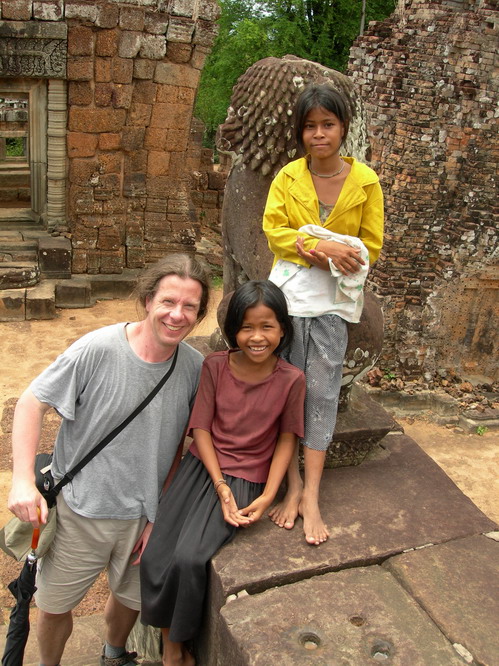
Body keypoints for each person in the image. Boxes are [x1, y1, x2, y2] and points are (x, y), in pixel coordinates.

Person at [7, 254, 211, 666]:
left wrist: (159, 516)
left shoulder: (193, 367)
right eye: (168, 301)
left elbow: (177, 445)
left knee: (130, 596)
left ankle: (114, 654)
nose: (177, 315)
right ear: (147, 299)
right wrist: (22, 479)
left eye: (190, 306)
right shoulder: (98, 349)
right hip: (82, 510)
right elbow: (31, 402)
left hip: (142, 516)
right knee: (53, 605)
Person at [140, 280, 306, 666]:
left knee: (190, 558)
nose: (257, 337)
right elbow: (201, 429)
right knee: (156, 556)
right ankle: (170, 648)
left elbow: (286, 440)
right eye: (247, 327)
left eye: (267, 326)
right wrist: (217, 483)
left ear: (283, 329)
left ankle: (176, 647)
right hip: (203, 467)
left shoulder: (291, 380)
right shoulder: (216, 365)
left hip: (246, 477)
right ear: (233, 330)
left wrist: (267, 495)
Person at [262, 83, 384, 546]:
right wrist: (319, 247)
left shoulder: (365, 182)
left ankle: (312, 491)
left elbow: (370, 244)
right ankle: (291, 487)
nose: (319, 134)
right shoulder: (287, 178)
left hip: (332, 306)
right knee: (287, 388)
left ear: (343, 128)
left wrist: (336, 252)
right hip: (289, 304)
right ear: (300, 132)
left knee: (323, 391)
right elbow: (275, 231)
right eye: (310, 126)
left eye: (327, 125)